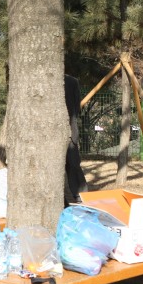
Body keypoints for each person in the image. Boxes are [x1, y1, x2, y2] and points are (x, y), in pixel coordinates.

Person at [64, 74, 87, 204]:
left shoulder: (72, 81)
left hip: (69, 130)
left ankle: (81, 196)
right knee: (73, 164)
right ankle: (80, 196)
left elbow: (76, 108)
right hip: (67, 129)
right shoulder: (72, 81)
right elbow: (77, 108)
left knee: (73, 164)